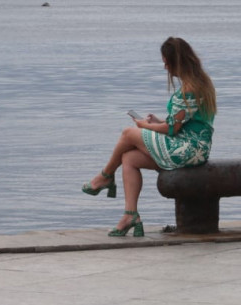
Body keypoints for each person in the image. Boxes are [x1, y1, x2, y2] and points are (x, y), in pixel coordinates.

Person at [81, 36, 217, 237]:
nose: (165, 68)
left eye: (166, 63)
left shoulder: (190, 89)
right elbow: (181, 123)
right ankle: (130, 215)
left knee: (128, 133)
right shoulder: (200, 83)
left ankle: (105, 176)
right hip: (192, 147)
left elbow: (173, 130)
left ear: (175, 62)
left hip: (188, 150)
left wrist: (145, 125)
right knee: (129, 159)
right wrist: (158, 122)